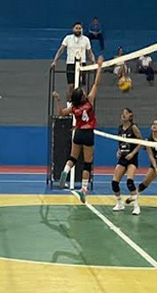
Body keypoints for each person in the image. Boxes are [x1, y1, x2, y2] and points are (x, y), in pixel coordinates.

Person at [53, 56, 105, 202]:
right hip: (88, 134)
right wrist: (99, 67)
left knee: (73, 157)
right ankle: (83, 189)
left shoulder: (74, 107)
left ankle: (65, 171)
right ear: (82, 96)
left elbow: (61, 113)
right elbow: (96, 83)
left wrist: (58, 100)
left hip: (79, 132)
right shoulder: (89, 101)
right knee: (87, 163)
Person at [111, 108, 143, 215]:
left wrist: (132, 154)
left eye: (126, 113)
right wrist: (119, 151)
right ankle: (119, 203)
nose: (123, 115)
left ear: (130, 115)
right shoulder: (120, 128)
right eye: (122, 113)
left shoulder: (133, 127)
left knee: (129, 182)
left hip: (132, 159)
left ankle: (136, 206)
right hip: (122, 158)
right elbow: (121, 143)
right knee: (114, 183)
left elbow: (140, 142)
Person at [51, 22, 95, 98]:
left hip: (82, 64)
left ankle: (81, 106)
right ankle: (69, 105)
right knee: (70, 86)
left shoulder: (86, 39)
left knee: (80, 86)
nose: (78, 30)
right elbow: (61, 50)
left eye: (80, 28)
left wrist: (93, 62)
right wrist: (55, 61)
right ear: (73, 29)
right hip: (70, 63)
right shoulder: (68, 38)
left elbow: (89, 52)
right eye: (76, 28)